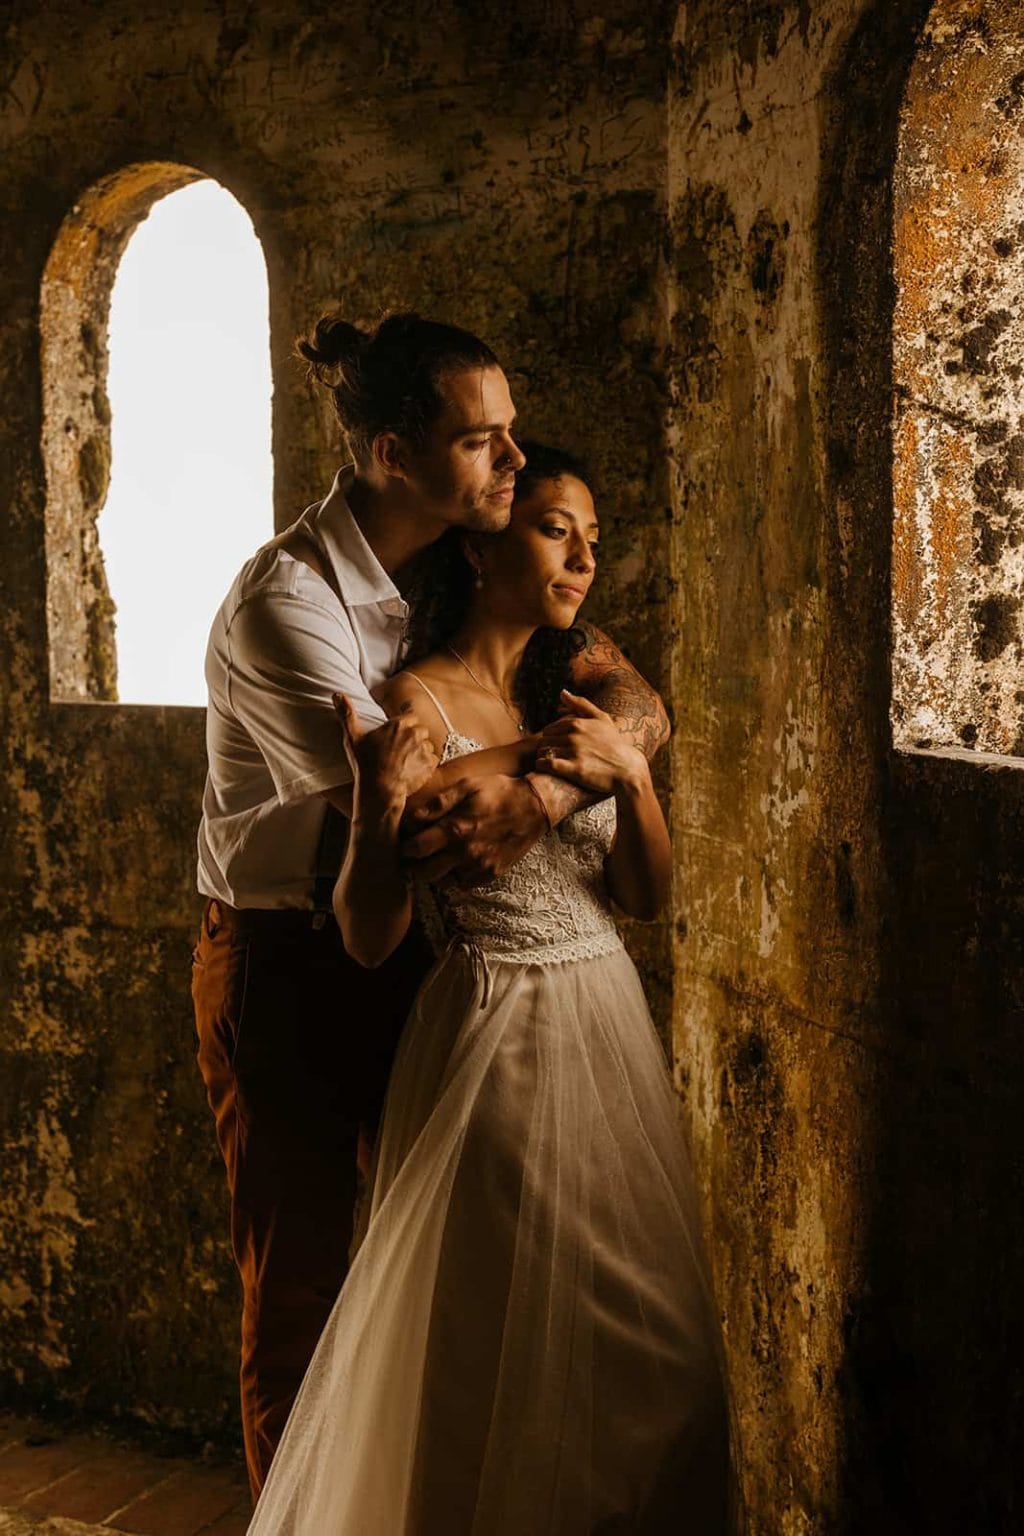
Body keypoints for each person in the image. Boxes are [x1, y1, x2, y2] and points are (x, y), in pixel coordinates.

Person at [191, 315, 672, 1500]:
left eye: (514, 438)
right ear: (393, 454)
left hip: (439, 950)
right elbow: (413, 814)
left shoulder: (461, 555)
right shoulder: (285, 606)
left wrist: (574, 778)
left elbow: (625, 690)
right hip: (292, 952)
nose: (513, 466)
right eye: (483, 442)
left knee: (437, 1277)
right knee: (304, 1296)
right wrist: (573, 771)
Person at [247, 445, 731, 1534]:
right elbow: (372, 936)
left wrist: (630, 775)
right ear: (481, 543)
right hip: (494, 1033)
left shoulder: (587, 698)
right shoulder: (413, 704)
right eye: (556, 527)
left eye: (593, 539)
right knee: (495, 1342)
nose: (583, 556)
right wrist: (389, 804)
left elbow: (644, 897)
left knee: (657, 1358)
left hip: (607, 1020)